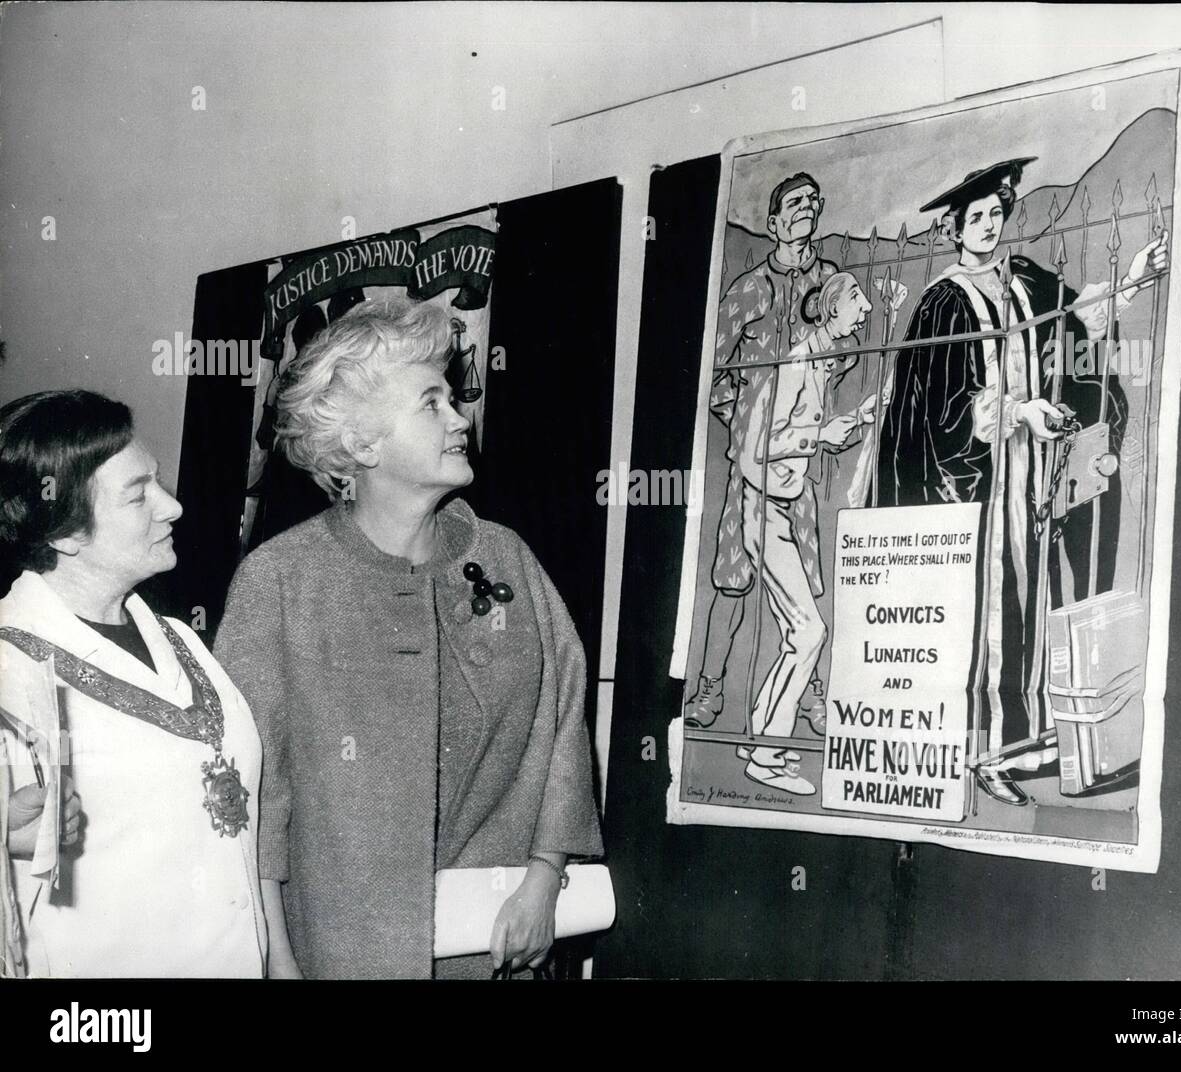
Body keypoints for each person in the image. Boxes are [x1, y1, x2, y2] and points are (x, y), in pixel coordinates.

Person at [215, 296, 603, 979]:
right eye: (432, 402)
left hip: (494, 940)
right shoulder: (278, 581)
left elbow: (565, 722)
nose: (460, 418)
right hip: (336, 948)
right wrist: (273, 953)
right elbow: (251, 793)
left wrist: (545, 879)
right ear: (362, 444)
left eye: (455, 398)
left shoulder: (507, 557)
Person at [876, 158, 1168, 805]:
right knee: (995, 616)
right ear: (955, 228)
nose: (986, 224)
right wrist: (1018, 411)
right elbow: (948, 409)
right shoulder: (945, 301)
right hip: (979, 485)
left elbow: (1075, 324)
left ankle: (1030, 740)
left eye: (995, 213)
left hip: (1033, 478)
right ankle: (988, 753)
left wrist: (1133, 280)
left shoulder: (1023, 282)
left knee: (1033, 607)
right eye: (974, 216)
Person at [0, 390, 293, 977]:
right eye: (139, 495)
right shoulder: (10, 671)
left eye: (158, 482)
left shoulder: (182, 642)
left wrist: (276, 960)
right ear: (64, 533)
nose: (172, 507)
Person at [684, 173, 855, 737]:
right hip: (749, 468)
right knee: (732, 580)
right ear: (774, 222)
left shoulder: (832, 281)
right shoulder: (749, 289)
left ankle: (811, 697)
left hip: (799, 468)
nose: (804, 210)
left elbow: (848, 348)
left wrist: (827, 371)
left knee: (805, 578)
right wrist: (743, 418)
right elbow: (713, 368)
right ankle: (708, 690)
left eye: (812, 202)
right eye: (792, 204)